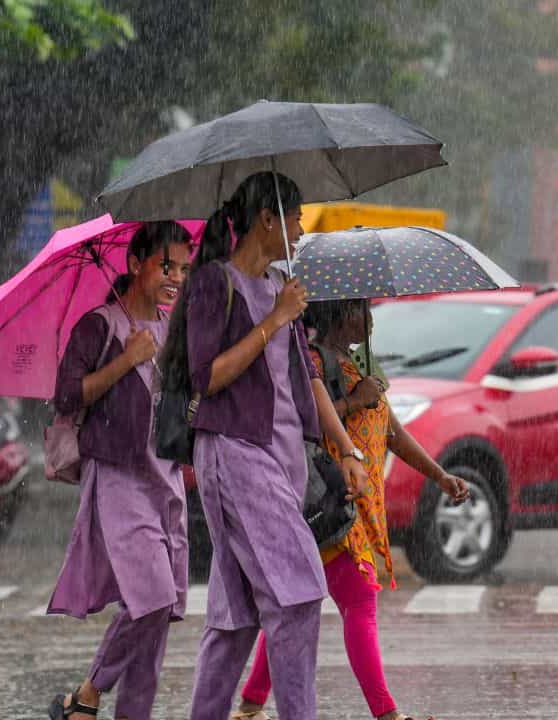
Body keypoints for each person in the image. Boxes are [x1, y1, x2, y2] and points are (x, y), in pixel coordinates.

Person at [161, 172, 369, 720]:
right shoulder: (214, 283)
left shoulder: (282, 283)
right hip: (235, 455)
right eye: (295, 217)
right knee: (299, 594)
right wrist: (275, 319)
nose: (301, 229)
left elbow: (308, 379)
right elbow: (207, 376)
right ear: (267, 219)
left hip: (280, 465)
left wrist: (346, 450)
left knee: (236, 619)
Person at [231, 298, 469, 720]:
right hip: (334, 503)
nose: (370, 319)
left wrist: (440, 476)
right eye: (361, 309)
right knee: (359, 603)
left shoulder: (362, 367)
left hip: (358, 507)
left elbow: (393, 433)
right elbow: (308, 419)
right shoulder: (316, 364)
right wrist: (355, 401)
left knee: (296, 606)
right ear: (339, 315)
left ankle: (250, 705)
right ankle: (386, 714)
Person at [46, 221, 194, 720]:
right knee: (150, 601)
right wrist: (126, 359)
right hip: (118, 477)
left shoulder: (174, 329)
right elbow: (66, 396)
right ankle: (86, 696)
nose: (175, 277)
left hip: (165, 478)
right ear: (135, 264)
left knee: (157, 617)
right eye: (165, 265)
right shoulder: (99, 326)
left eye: (183, 268)